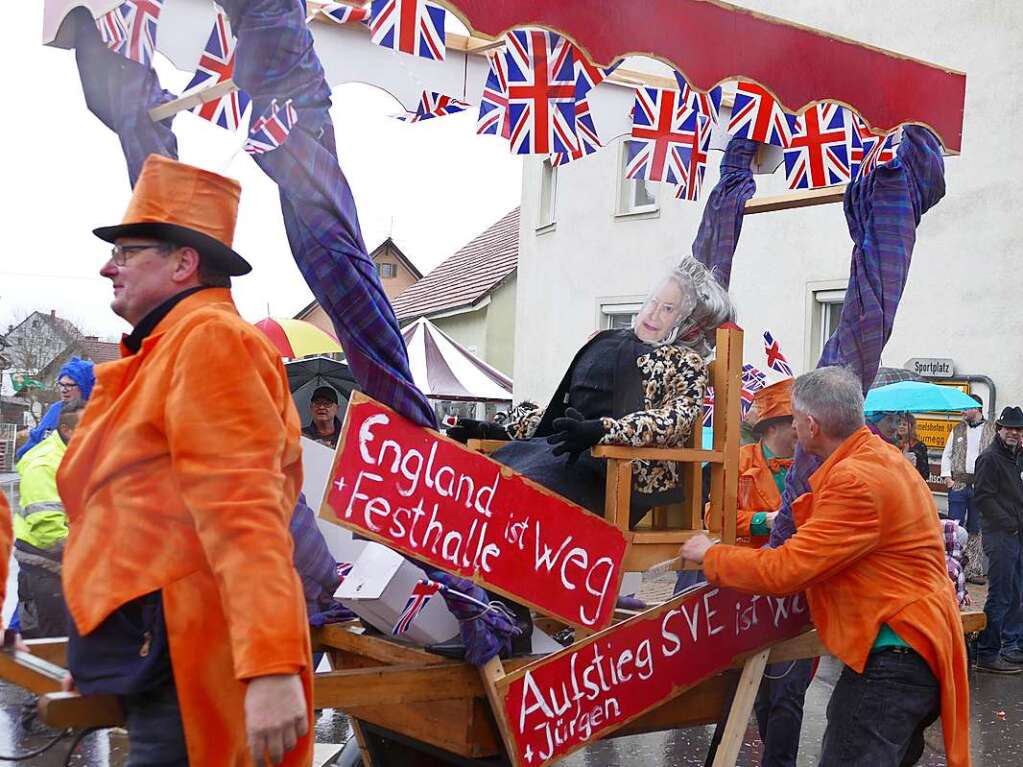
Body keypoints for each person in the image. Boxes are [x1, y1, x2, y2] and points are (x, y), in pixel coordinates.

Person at [56, 155, 312, 766]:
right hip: (160, 655)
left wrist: (271, 665)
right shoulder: (167, 348)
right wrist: (103, 653)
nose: (107, 266)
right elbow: (129, 513)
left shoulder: (211, 341)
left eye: (127, 251)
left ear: (183, 262)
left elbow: (241, 509)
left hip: (200, 656)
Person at [681, 366, 970, 767]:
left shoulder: (855, 479)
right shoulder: (881, 456)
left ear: (812, 425)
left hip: (895, 654)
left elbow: (788, 569)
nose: (793, 428)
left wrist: (710, 555)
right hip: (910, 651)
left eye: (795, 418)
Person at [453, 258, 729, 526]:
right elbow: (566, 413)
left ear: (690, 323)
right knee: (484, 481)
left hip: (614, 471)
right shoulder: (610, 341)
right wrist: (501, 430)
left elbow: (676, 420)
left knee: (523, 492)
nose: (654, 313)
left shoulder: (684, 362)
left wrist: (602, 430)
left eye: (668, 309)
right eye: (654, 302)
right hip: (564, 454)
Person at [704, 378, 814, 767]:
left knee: (788, 691)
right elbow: (713, 516)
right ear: (772, 427)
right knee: (751, 693)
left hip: (799, 594)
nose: (802, 430)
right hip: (747, 592)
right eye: (794, 422)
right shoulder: (737, 462)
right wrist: (762, 522)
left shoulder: (818, 464)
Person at [13, 400, 84, 638]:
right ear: (66, 430)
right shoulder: (44, 464)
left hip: (63, 565)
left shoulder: (77, 455)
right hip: (46, 567)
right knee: (53, 643)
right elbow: (48, 530)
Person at [971, 405, 1023, 674]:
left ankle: (1009, 645)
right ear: (999, 429)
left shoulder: (1015, 457)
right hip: (1000, 535)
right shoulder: (990, 458)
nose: (1013, 432)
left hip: (1015, 535)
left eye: (1018, 428)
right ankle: (987, 653)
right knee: (1000, 595)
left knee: (1016, 593)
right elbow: (983, 497)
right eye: (1009, 427)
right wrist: (1010, 523)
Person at [940, 394, 995, 584]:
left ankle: (973, 569)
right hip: (959, 484)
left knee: (975, 527)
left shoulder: (992, 429)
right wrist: (947, 477)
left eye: (965, 407)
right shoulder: (957, 429)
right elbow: (947, 454)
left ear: (977, 408)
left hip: (981, 486)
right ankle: (951, 566)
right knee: (954, 525)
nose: (962, 411)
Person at [15, 357, 94, 461]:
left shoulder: (98, 413)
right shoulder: (56, 409)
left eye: (69, 385)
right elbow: (36, 439)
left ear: (85, 386)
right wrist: (25, 458)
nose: (63, 390)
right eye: (61, 384)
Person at [896, 413, 930, 481]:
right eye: (899, 424)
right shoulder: (892, 444)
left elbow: (925, 473)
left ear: (911, 427)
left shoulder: (919, 446)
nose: (901, 426)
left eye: (904, 424)